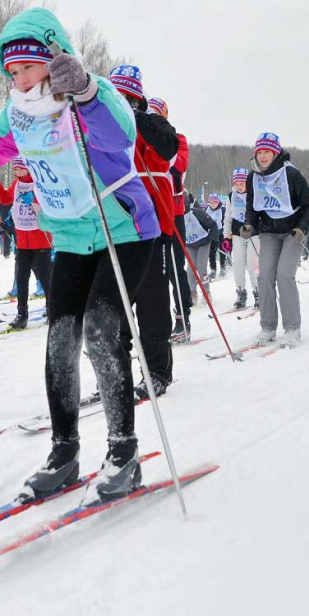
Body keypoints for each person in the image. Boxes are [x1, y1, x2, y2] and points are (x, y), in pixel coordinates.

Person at [0, 7, 159, 502]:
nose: (21, 79)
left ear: (53, 60)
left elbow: (122, 137)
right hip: (71, 236)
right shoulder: (18, 117)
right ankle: (65, 452)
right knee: (60, 341)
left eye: (28, 67)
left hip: (125, 230)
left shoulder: (88, 97)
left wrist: (88, 91)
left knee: (99, 331)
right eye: (12, 72)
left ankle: (123, 453)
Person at [112, 65, 181, 396]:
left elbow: (170, 148)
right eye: (115, 96)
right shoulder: (98, 122)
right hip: (114, 224)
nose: (119, 102)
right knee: (115, 302)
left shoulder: (154, 122)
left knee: (152, 299)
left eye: (126, 97)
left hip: (153, 223)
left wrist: (138, 116)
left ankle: (157, 371)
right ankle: (114, 371)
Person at [241, 133, 309, 346]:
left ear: (276, 152)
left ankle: (292, 328)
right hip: (269, 232)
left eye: (267, 152)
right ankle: (268, 326)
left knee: (284, 274)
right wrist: (249, 224)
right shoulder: (253, 176)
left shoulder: (291, 174)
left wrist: (302, 227)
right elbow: (251, 205)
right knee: (264, 275)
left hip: (293, 231)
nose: (263, 156)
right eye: (259, 152)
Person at [0, 157, 53, 330]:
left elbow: (50, 203)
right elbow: (5, 198)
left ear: (29, 168)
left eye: (20, 169)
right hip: (22, 242)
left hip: (41, 240)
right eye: (15, 169)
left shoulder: (39, 183)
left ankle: (52, 308)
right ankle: (22, 313)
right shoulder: (16, 184)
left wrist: (35, 199)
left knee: (45, 278)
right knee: (21, 277)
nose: (17, 172)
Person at [149, 97, 193, 340]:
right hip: (146, 211)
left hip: (172, 210)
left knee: (175, 267)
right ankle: (155, 322)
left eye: (158, 114)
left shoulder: (178, 139)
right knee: (151, 270)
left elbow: (178, 165)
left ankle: (182, 317)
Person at [224, 167, 259, 309]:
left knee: (253, 265)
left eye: (242, 183)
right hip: (237, 234)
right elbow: (227, 218)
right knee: (238, 264)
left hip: (254, 234)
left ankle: (258, 292)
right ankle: (241, 292)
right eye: (236, 183)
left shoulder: (254, 194)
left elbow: (259, 214)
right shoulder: (231, 196)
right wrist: (226, 237)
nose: (239, 186)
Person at [182, 192, 218, 306]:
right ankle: (193, 292)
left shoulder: (196, 213)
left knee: (201, 267)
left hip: (203, 242)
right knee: (190, 269)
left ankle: (206, 291)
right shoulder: (177, 217)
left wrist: (214, 242)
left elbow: (213, 225)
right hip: (190, 245)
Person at [204, 193, 226, 278]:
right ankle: (213, 268)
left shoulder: (222, 210)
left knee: (222, 249)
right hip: (211, 234)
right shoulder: (207, 209)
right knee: (211, 251)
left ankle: (223, 266)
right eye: (211, 202)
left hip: (221, 233)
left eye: (215, 202)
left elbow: (226, 220)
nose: (213, 204)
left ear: (218, 202)